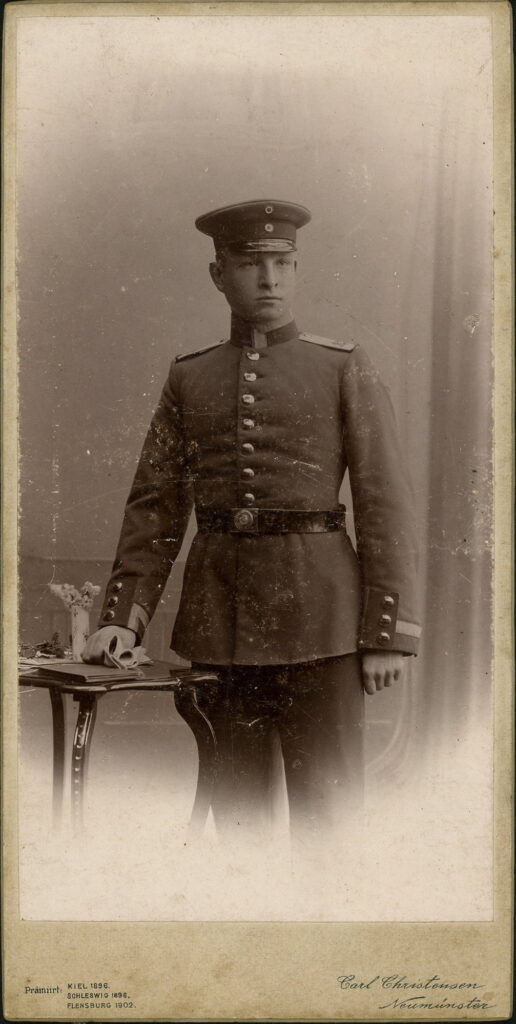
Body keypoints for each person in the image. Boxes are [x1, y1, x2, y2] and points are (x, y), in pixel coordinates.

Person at [83, 199, 420, 843]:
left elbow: (386, 502)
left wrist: (387, 633)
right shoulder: (190, 377)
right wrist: (120, 622)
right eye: (251, 264)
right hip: (221, 628)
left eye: (283, 263)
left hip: (326, 628)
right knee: (240, 825)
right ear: (219, 275)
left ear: (296, 269)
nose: (270, 280)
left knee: (333, 826)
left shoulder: (341, 366)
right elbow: (154, 508)